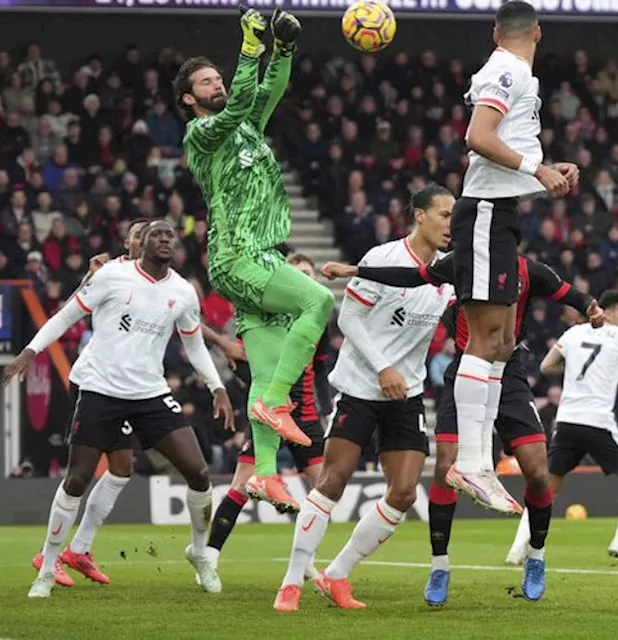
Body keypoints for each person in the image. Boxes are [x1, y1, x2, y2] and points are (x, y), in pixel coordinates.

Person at [321, 196, 604, 605]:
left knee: (538, 472)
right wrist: (355, 270)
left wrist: (591, 308)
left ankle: (536, 556)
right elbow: (409, 276)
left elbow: (569, 293)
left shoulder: (527, 270)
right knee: (446, 469)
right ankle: (439, 566)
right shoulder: (460, 264)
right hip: (468, 372)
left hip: (509, 376)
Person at [6, 220, 236, 598]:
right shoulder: (112, 275)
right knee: (77, 478)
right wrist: (32, 350)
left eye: (170, 236)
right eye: (156, 235)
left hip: (149, 392)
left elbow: (193, 344)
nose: (164, 240)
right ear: (141, 243)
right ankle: (47, 568)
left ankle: (199, 553)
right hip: (100, 389)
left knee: (197, 471)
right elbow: (67, 315)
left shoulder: (182, 291)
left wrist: (216, 386)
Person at [176, 4, 334, 513]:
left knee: (265, 372)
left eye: (217, 77)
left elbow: (266, 92)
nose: (215, 85)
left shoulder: (244, 126)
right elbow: (245, 96)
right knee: (318, 302)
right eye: (205, 82)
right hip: (240, 253)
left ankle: (265, 474)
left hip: (253, 255)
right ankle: (272, 404)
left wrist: (282, 49)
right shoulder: (201, 135)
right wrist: (251, 48)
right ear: (189, 99)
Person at [273, 186, 454, 612]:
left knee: (405, 492)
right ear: (420, 216)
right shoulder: (382, 259)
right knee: (332, 481)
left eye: (454, 216)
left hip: (406, 395)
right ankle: (292, 580)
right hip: (360, 387)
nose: (451, 224)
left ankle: (336, 574)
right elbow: (349, 317)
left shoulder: (448, 272)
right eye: (444, 215)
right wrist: (382, 367)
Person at [447, 0, 577, 513]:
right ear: (537, 32)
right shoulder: (505, 69)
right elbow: (477, 137)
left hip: (500, 214)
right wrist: (537, 169)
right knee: (484, 340)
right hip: (482, 213)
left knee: (501, 341)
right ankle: (471, 461)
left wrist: (543, 168)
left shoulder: (514, 71)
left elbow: (500, 147)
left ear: (496, 31)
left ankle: (481, 463)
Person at [506, 292, 618, 579]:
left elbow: (546, 366)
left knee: (546, 488)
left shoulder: (573, 332)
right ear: (606, 313)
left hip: (567, 420)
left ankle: (516, 549)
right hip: (597, 422)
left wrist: (572, 368)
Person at [202, 253, 332, 591]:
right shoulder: (267, 313)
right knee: (242, 484)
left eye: (309, 274)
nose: (306, 279)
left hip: (304, 416)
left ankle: (305, 564)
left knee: (324, 492)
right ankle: (209, 557)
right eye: (298, 274)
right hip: (269, 410)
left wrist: (326, 405)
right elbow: (245, 364)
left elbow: (319, 368)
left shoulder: (317, 319)